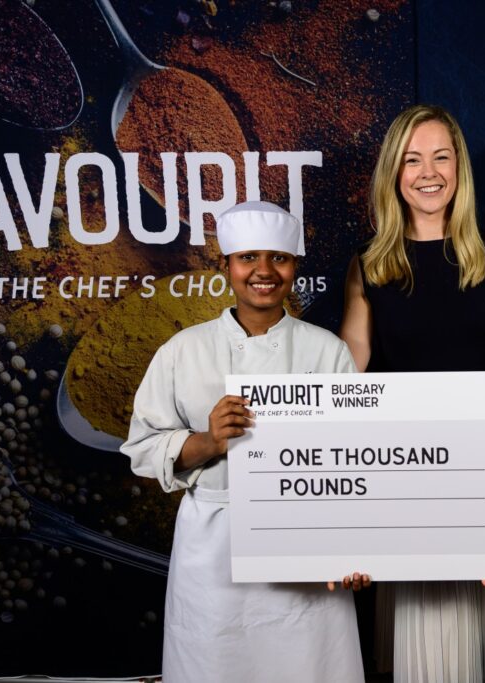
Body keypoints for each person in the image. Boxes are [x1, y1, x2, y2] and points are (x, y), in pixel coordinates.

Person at [121, 201, 366, 683]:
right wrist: (209, 442)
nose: (264, 271)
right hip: (214, 551)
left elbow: (353, 460)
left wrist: (355, 548)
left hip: (305, 549)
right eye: (248, 257)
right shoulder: (183, 350)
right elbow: (143, 449)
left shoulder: (327, 350)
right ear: (226, 267)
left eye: (279, 258)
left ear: (294, 266)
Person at [340, 104, 485, 683]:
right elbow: (345, 372)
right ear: (393, 173)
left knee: (484, 647)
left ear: (459, 168)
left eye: (441, 157)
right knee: (421, 650)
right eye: (412, 159)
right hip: (406, 474)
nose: (428, 172)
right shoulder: (369, 264)